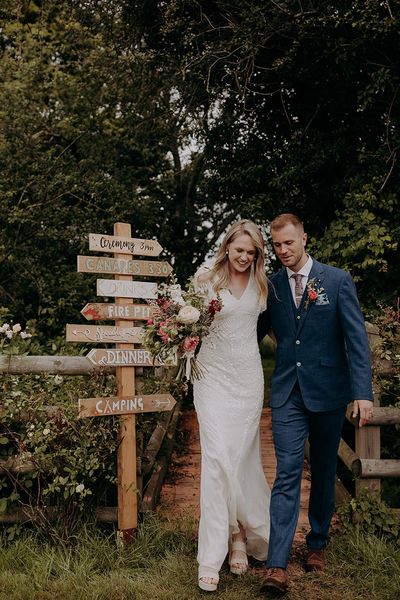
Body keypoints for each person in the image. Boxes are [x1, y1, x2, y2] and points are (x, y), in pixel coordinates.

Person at [258, 213, 374, 594]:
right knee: (287, 471)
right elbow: (249, 332)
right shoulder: (271, 287)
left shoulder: (337, 281)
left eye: (289, 242)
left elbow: (356, 339)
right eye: (276, 245)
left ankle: (318, 543)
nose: (283, 251)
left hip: (328, 391)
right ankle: (276, 564)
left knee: (324, 469)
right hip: (288, 392)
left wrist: (362, 392)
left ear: (305, 237)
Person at [193, 219, 271, 592]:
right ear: (227, 247)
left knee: (241, 459)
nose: (243, 257)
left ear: (257, 255)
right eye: (239, 250)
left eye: (250, 252)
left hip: (248, 381)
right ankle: (210, 557)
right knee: (216, 460)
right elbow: (185, 322)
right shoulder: (206, 278)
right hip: (210, 378)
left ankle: (239, 536)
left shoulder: (262, 285)